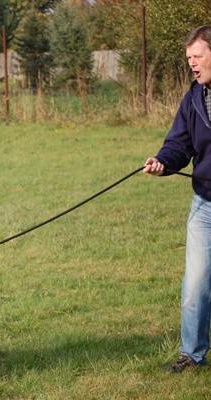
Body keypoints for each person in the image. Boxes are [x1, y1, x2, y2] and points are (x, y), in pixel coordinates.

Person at [143, 25, 211, 372]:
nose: (192, 64)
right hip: (205, 204)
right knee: (195, 284)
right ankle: (193, 356)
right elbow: (179, 143)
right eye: (188, 59)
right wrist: (163, 162)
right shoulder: (194, 98)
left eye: (197, 56)